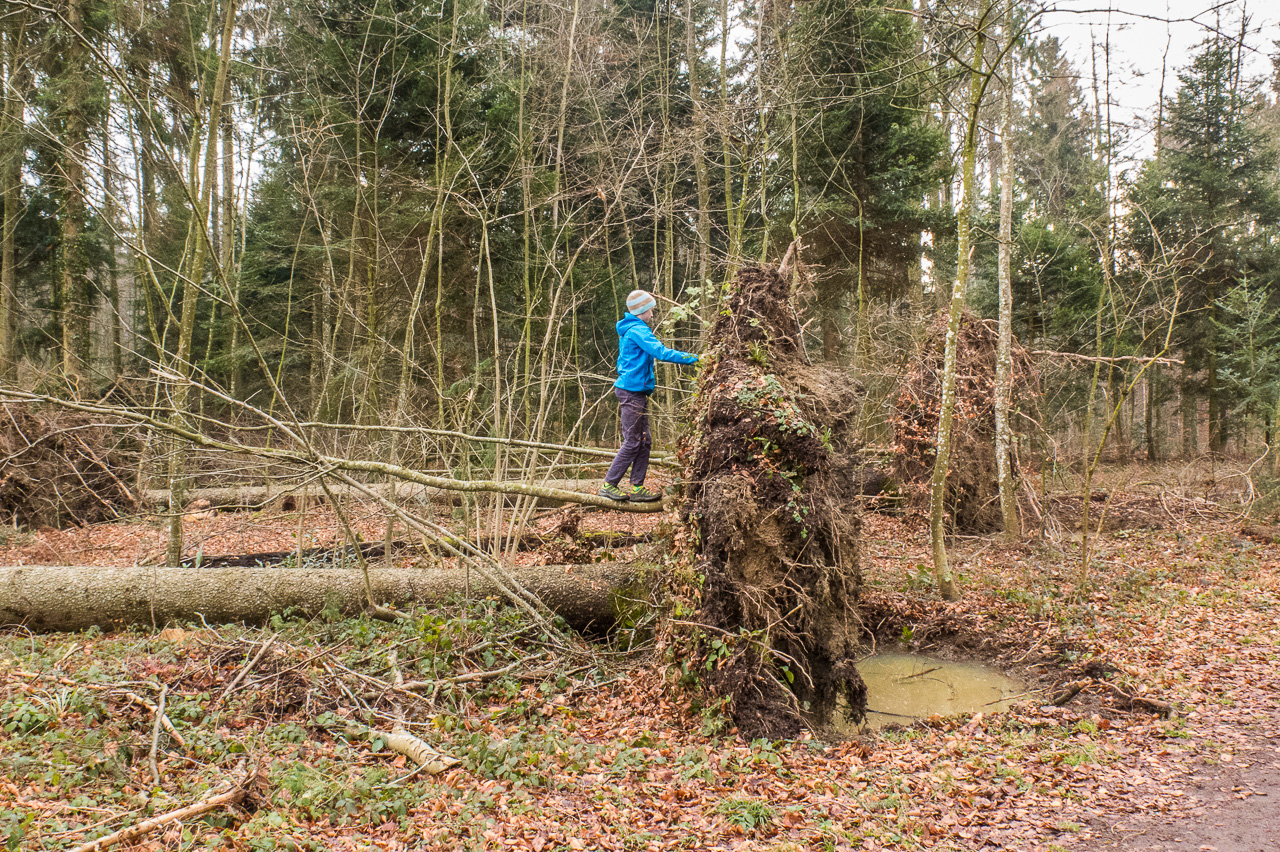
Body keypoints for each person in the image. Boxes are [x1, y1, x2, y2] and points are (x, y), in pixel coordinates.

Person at [600, 289, 700, 502]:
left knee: (644, 441)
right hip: (631, 392)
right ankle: (609, 485)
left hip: (637, 392)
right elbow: (661, 352)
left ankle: (637, 488)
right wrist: (696, 358)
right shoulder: (638, 330)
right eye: (650, 310)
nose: (652, 314)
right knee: (632, 441)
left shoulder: (635, 329)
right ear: (641, 311)